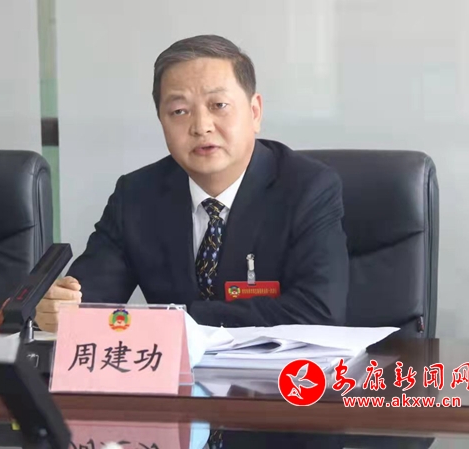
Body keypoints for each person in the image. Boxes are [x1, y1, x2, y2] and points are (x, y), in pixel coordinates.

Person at [35, 34, 349, 333]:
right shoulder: (136, 196)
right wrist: (58, 308)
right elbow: (88, 301)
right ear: (161, 120)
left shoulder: (307, 188)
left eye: (218, 105)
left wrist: (181, 320)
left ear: (254, 112)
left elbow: (319, 310)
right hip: (172, 371)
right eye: (179, 111)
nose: (201, 126)